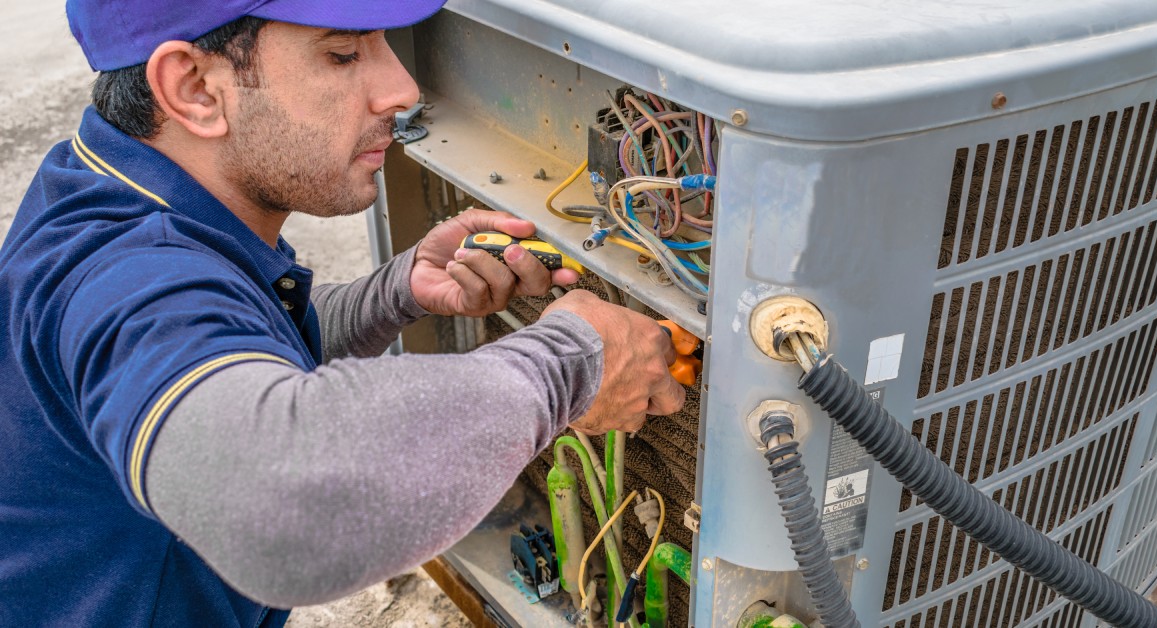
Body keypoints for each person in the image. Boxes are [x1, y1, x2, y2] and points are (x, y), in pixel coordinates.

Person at [0, 1, 686, 625]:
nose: (402, 90)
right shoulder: (121, 272)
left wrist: (390, 295)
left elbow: (230, 338)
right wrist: (570, 364)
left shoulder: (110, 186)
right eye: (342, 53)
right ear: (194, 89)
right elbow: (280, 505)